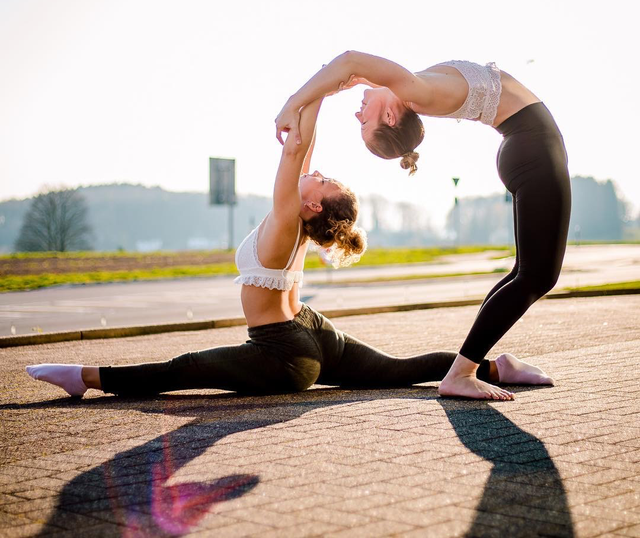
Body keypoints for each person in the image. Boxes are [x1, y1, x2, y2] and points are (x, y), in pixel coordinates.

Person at [26, 98, 552, 400]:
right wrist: (314, 99)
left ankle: (84, 379)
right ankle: (496, 366)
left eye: (319, 182)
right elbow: (306, 149)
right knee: (399, 370)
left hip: (283, 352)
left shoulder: (284, 220)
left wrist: (318, 87)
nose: (314, 175)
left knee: (182, 369)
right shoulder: (295, 221)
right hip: (313, 331)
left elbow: (299, 150)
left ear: (312, 208)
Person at [275, 51, 571, 400]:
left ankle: (481, 363)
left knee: (526, 272)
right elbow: (352, 60)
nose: (357, 113)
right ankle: (462, 373)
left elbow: (349, 71)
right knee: (537, 277)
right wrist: (293, 104)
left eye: (360, 121)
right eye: (362, 122)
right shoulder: (416, 90)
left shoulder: (410, 87)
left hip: (528, 144)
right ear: (390, 114)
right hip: (534, 146)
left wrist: (324, 88)